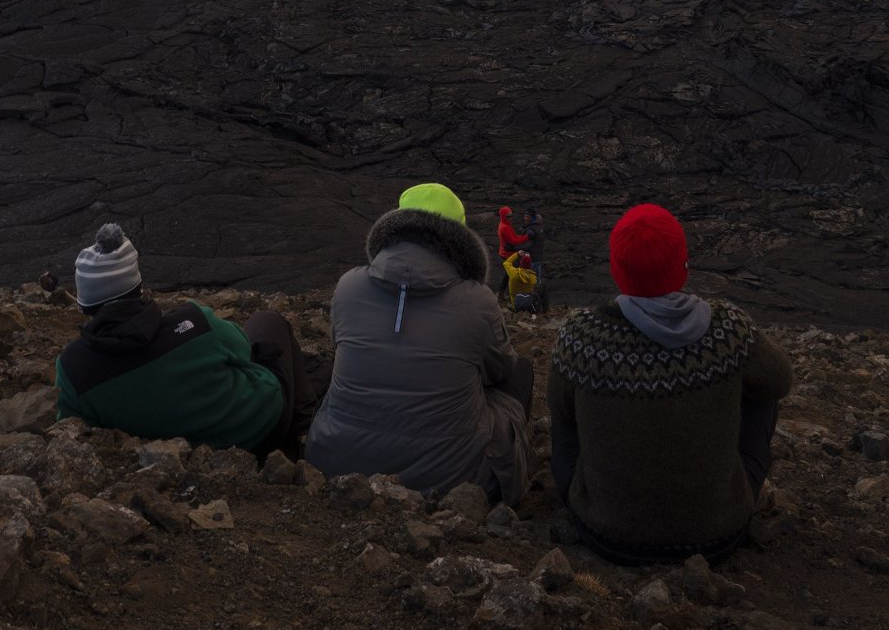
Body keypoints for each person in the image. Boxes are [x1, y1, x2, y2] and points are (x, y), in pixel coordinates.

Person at [549, 203, 793, 567]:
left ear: (617, 269)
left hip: (605, 534)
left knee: (565, 407)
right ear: (683, 265)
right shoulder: (727, 330)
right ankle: (720, 492)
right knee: (763, 392)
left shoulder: (582, 335)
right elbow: (781, 379)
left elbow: (560, 408)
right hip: (716, 536)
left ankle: (602, 492)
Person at [306, 183, 534, 503]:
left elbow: (341, 347)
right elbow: (501, 369)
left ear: (395, 224)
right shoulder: (478, 301)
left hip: (334, 463)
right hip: (454, 480)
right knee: (520, 373)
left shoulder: (348, 286)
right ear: (460, 234)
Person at [56, 222, 323, 458]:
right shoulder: (195, 321)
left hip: (196, 458)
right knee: (267, 322)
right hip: (263, 422)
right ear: (138, 288)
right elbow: (243, 348)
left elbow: (75, 429)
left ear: (84, 306)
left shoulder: (72, 370)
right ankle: (303, 433)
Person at [496, 206, 528, 303]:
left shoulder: (505, 225)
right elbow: (514, 241)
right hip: (507, 255)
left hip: (505, 252)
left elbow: (514, 237)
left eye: (511, 215)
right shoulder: (505, 227)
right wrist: (527, 237)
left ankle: (501, 294)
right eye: (508, 216)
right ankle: (510, 295)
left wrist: (522, 236)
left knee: (509, 274)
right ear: (503, 216)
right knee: (513, 274)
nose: (511, 218)